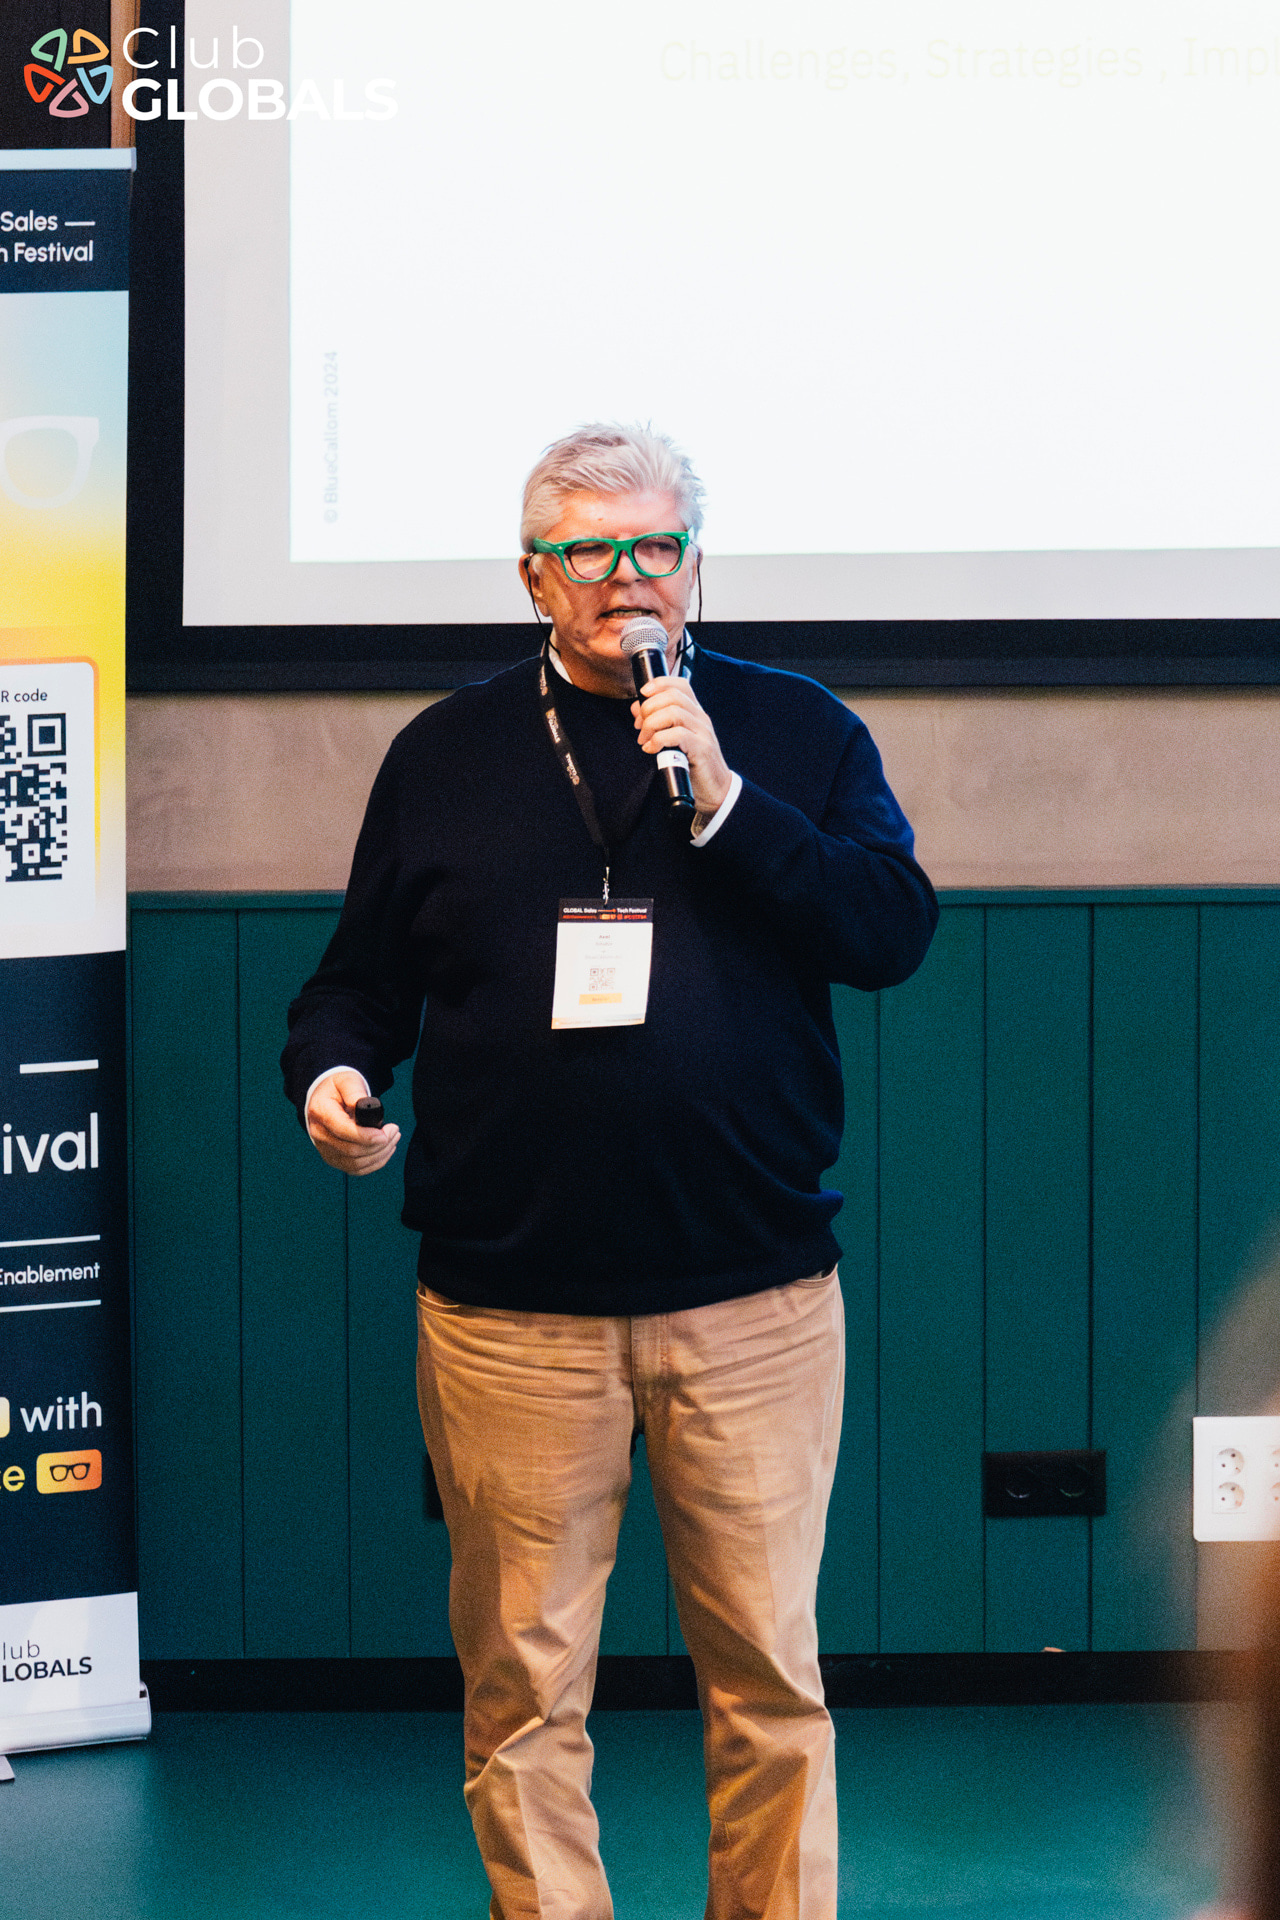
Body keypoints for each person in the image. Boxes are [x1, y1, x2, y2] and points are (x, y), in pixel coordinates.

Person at [282, 424, 938, 1920]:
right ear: (533, 579)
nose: (626, 579)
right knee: (522, 1696)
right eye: (589, 552)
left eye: (656, 547)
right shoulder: (441, 756)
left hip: (753, 1299)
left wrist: (724, 802)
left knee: (771, 1684)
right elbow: (358, 985)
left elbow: (891, 928)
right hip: (512, 1314)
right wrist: (331, 1072)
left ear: (696, 563)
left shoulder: (795, 732)